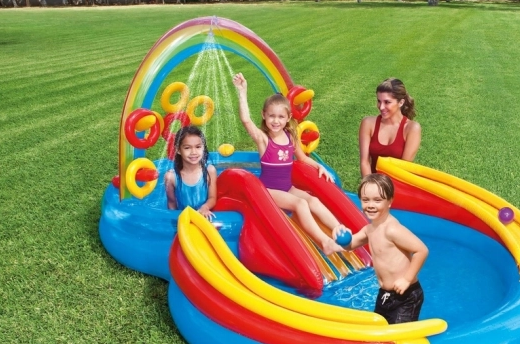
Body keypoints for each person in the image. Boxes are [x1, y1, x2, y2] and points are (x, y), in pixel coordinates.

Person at [232, 72, 345, 256]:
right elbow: (246, 120)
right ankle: (324, 242)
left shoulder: (291, 136)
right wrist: (242, 91)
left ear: (288, 118)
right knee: (300, 204)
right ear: (264, 115)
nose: (275, 121)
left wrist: (320, 167)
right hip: (268, 192)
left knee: (313, 200)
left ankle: (340, 230)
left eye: (280, 117)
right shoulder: (264, 139)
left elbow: (303, 158)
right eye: (271, 116)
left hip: (287, 188)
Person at [336, 174, 428, 324]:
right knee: (379, 333)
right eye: (366, 200)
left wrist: (406, 279)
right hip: (385, 295)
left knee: (398, 338)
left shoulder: (392, 229)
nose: (371, 205)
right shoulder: (369, 229)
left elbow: (421, 250)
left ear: (390, 201)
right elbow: (350, 245)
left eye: (377, 200)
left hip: (406, 295)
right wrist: (339, 233)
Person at [359, 78, 421, 177]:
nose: (381, 107)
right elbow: (364, 162)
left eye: (387, 102)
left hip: (398, 185)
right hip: (372, 185)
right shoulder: (368, 123)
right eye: (379, 101)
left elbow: (403, 170)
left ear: (400, 102)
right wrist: (370, 188)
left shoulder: (411, 128)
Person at [164, 125, 217, 220]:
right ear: (178, 150)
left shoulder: (210, 171)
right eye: (187, 148)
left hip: (205, 217)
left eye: (198, 147)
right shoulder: (171, 177)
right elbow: (171, 204)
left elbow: (212, 198)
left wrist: (205, 207)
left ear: (203, 148)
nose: (193, 152)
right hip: (184, 220)